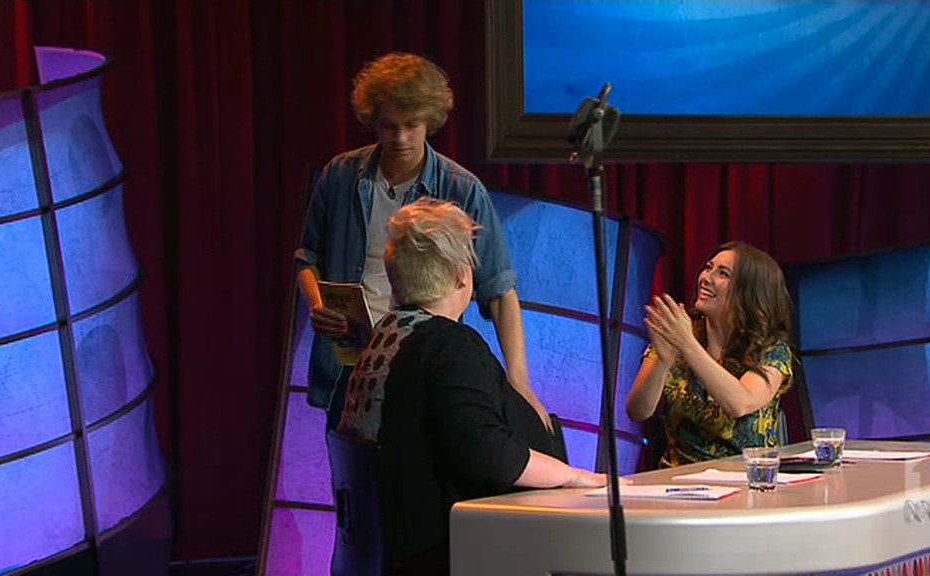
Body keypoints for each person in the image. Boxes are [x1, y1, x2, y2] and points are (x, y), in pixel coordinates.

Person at [338, 198, 610, 575]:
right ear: (461, 276)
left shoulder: (386, 335)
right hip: (449, 552)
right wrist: (573, 475)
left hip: (406, 550)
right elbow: (489, 455)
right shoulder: (448, 345)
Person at [294, 52, 550, 431]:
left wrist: (520, 382)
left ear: (430, 120)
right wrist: (318, 305)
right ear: (372, 121)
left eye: (411, 125)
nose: (400, 138)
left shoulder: (461, 189)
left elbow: (499, 289)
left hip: (424, 366)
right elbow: (307, 258)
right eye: (388, 126)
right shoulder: (341, 176)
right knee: (352, 465)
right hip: (351, 364)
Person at [625, 241, 795, 467]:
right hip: (679, 480)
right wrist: (663, 361)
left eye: (723, 273)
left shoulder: (771, 349)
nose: (706, 278)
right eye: (708, 267)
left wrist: (687, 345)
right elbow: (638, 411)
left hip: (747, 480)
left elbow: (740, 403)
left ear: (749, 291)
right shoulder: (679, 334)